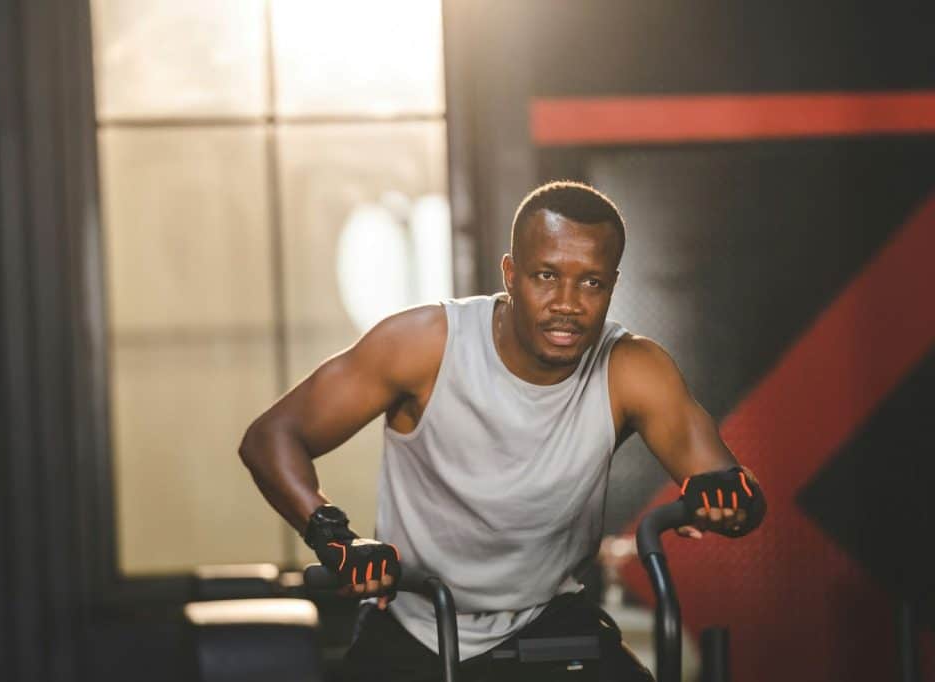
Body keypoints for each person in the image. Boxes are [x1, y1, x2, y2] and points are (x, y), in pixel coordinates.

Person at [239, 181, 766, 681]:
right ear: (510, 274)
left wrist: (726, 500)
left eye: (590, 282)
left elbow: (731, 490)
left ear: (612, 286)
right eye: (546, 276)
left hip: (551, 621)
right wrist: (334, 538)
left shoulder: (632, 368)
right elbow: (272, 437)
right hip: (415, 623)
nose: (567, 302)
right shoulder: (423, 346)